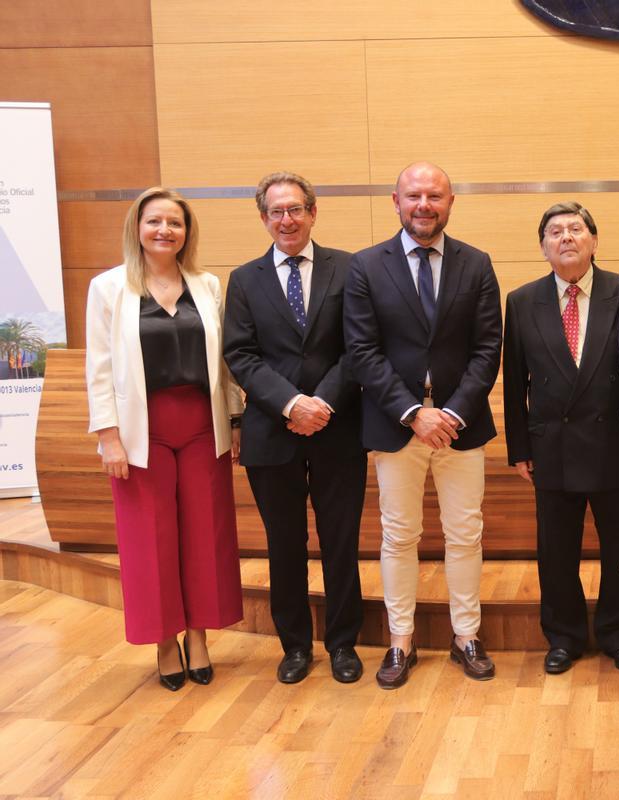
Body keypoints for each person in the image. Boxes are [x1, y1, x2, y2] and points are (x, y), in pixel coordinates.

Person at [344, 162, 502, 688]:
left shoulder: (476, 264)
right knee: (399, 536)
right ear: (395, 201)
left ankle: (466, 636)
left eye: (435, 195)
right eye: (414, 195)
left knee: (464, 534)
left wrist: (452, 412)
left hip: (461, 424)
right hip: (397, 426)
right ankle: (400, 641)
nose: (424, 205)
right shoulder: (366, 267)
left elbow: (487, 348)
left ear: (451, 202)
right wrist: (414, 413)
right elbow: (362, 351)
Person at [85, 187, 244, 691]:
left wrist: (236, 419)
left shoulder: (207, 284)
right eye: (154, 222)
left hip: (202, 423)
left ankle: (198, 635)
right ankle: (163, 641)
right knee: (148, 539)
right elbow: (100, 369)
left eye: (174, 223)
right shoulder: (109, 288)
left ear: (186, 232)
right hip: (140, 429)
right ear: (137, 227)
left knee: (205, 533)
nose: (164, 231)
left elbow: (225, 362)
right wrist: (109, 437)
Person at [223, 171, 367, 685]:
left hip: (339, 428)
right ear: (264, 218)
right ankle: (295, 647)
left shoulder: (350, 269)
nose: (287, 219)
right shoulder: (244, 279)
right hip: (272, 433)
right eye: (276, 211)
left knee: (340, 542)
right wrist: (290, 404)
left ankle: (344, 643)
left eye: (295, 209)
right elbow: (239, 353)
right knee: (284, 545)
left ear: (313, 212)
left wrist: (322, 402)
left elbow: (359, 347)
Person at [503, 201, 619, 675]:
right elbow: (516, 379)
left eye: (576, 229)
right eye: (555, 232)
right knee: (556, 551)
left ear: (594, 240)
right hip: (551, 448)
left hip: (617, 445)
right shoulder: (523, 301)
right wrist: (519, 448)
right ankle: (563, 636)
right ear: (543, 247)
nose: (566, 237)